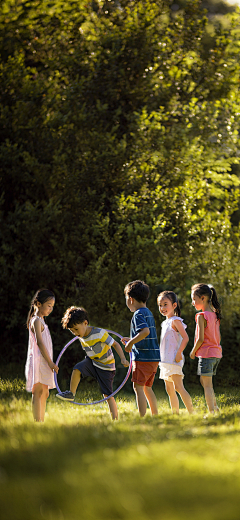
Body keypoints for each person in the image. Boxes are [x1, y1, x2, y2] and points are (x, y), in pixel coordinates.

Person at [56, 307, 129, 420]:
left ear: (85, 323)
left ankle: (115, 419)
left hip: (106, 366)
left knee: (107, 395)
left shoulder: (99, 333)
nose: (75, 333)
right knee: (77, 369)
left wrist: (123, 358)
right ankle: (71, 393)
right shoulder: (80, 334)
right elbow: (81, 337)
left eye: (76, 329)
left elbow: (115, 344)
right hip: (93, 361)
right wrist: (77, 332)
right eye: (72, 331)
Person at [122, 280, 160, 417]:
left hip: (143, 358)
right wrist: (131, 339)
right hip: (153, 357)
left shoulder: (138, 314)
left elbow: (145, 332)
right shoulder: (148, 312)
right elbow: (143, 335)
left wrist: (131, 343)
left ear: (130, 299)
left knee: (138, 387)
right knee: (147, 387)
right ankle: (155, 415)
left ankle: (142, 417)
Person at [25, 289, 59, 422]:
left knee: (45, 392)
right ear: (38, 304)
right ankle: (37, 420)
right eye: (49, 305)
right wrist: (50, 362)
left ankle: (41, 419)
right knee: (38, 391)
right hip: (40, 361)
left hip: (45, 361)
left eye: (52, 306)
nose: (51, 309)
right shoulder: (36, 321)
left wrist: (49, 362)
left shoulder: (42, 321)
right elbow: (39, 342)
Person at [157, 291, 193, 414]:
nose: (162, 308)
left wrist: (179, 353)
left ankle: (191, 412)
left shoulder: (176, 321)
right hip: (165, 360)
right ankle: (175, 413)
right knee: (169, 389)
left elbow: (186, 338)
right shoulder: (164, 323)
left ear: (174, 305)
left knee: (178, 387)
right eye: (160, 305)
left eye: (165, 304)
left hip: (174, 359)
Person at [190, 283, 222, 414]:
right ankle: (216, 408)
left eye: (194, 299)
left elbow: (200, 339)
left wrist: (193, 351)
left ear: (202, 298)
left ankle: (212, 412)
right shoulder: (215, 315)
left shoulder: (201, 316)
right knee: (205, 381)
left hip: (207, 354)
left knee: (207, 385)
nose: (193, 303)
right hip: (216, 354)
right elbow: (218, 336)